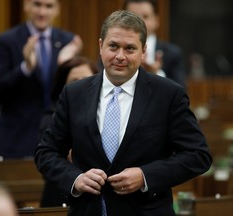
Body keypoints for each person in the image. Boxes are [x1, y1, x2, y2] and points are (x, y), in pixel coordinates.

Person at [35, 10, 212, 216]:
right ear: (101, 46)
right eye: (113, 46)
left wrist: (145, 175)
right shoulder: (74, 93)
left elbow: (198, 155)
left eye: (130, 48)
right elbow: (46, 153)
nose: (120, 56)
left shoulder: (168, 94)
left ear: (143, 51)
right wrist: (76, 178)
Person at [0, 0, 83, 159]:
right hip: (15, 140)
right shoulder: (7, 40)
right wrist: (25, 68)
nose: (42, 12)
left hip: (56, 141)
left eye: (49, 6)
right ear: (26, 5)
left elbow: (73, 95)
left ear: (57, 9)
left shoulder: (68, 41)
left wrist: (65, 66)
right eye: (37, 4)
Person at [38, 56, 99, 207]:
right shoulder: (51, 118)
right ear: (63, 86)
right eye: (74, 80)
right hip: (61, 198)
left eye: (86, 79)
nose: (81, 85)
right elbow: (47, 157)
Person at [123, 0, 186, 87]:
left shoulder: (172, 54)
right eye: (132, 17)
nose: (139, 23)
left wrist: (157, 73)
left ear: (156, 20)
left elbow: (181, 96)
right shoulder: (112, 51)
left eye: (145, 16)